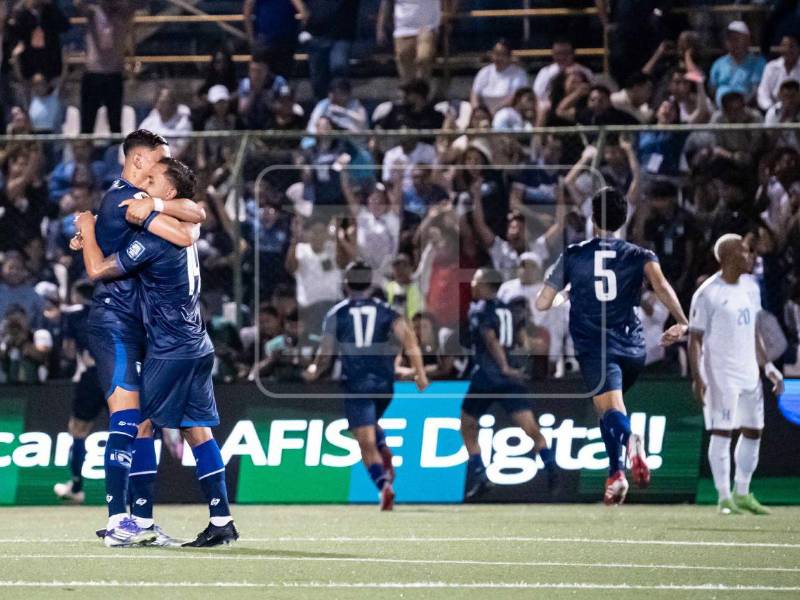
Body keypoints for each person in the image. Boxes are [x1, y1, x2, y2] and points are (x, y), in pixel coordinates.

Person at [76, 157, 239, 546]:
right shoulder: (183, 223)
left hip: (171, 348)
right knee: (197, 430)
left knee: (137, 422)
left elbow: (98, 271)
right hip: (197, 343)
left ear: (167, 192)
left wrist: (87, 228)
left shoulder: (156, 236)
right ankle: (222, 520)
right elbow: (192, 220)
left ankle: (135, 521)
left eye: (152, 181)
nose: (142, 185)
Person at [535, 187, 689, 505]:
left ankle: (632, 441)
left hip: (597, 346)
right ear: (623, 219)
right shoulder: (640, 254)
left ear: (593, 217)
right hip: (634, 348)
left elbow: (542, 303)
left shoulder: (575, 254)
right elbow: (661, 286)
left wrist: (564, 291)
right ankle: (616, 473)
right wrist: (681, 320)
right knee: (605, 409)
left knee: (613, 412)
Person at [304, 261, 429, 510]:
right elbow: (409, 338)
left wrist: (313, 370)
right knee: (370, 427)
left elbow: (325, 354)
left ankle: (383, 486)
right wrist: (420, 373)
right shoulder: (386, 309)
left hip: (357, 383)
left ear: (346, 283)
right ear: (370, 283)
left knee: (365, 441)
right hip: (384, 384)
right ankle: (384, 450)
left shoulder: (337, 313)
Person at [688, 234, 784, 516]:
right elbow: (694, 339)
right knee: (723, 431)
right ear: (729, 257)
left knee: (754, 431)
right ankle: (723, 497)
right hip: (720, 373)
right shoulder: (707, 293)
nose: (750, 256)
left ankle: (742, 492)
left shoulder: (752, 287)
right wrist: (698, 377)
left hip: (748, 372)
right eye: (744, 251)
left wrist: (767, 366)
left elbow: (753, 330)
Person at [461, 268, 555, 500]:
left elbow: (490, 339)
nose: (472, 284)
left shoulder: (479, 309)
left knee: (466, 425)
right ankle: (552, 468)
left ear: (484, 285)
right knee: (531, 430)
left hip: (487, 376)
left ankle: (481, 475)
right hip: (511, 379)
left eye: (476, 281)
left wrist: (503, 365)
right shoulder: (512, 310)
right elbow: (523, 342)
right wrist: (517, 365)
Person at [53, 280, 102, 504]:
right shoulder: (113, 310)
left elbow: (69, 350)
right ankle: (134, 492)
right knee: (130, 430)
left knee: (78, 429)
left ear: (77, 295)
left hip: (92, 375)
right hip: (122, 375)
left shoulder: (73, 315)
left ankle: (77, 486)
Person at [74, 0, 134, 134]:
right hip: (93, 73)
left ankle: (115, 154)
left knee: (115, 125)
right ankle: (86, 154)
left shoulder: (123, 12)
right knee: (87, 125)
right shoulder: (93, 12)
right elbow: (78, 4)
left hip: (114, 73)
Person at [376, 0, 442, 84]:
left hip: (428, 26)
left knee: (424, 57)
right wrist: (380, 28)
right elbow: (385, 4)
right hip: (403, 27)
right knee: (403, 58)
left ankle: (422, 89)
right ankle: (409, 91)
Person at [708, 21, 766, 106]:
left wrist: (737, 107)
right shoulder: (718, 63)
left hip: (745, 109)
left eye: (737, 39)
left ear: (747, 40)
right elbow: (712, 89)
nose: (733, 42)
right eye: (730, 39)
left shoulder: (758, 62)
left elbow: (755, 90)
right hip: (721, 109)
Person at [470, 39, 529, 115]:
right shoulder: (484, 72)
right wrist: (476, 110)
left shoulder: (519, 73)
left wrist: (497, 111)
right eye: (496, 54)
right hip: (485, 112)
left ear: (509, 56)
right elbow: (474, 93)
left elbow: (516, 98)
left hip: (509, 111)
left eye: (502, 54)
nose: (498, 58)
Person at [757, 34, 800, 112]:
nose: (787, 49)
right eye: (784, 46)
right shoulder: (771, 67)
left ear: (798, 48)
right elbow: (763, 93)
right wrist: (772, 109)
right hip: (775, 110)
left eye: (791, 46)